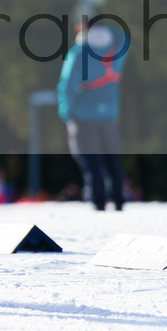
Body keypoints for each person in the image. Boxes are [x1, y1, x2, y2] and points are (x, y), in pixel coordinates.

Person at [57, 17, 129, 211]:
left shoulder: (79, 53)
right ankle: (119, 199)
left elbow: (67, 84)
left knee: (91, 162)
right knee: (112, 160)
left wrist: (66, 113)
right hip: (110, 115)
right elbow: (124, 35)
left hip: (84, 116)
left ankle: (98, 202)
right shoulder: (117, 49)